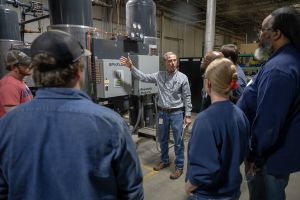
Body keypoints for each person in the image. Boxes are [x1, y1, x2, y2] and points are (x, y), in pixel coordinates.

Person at [0, 30, 143, 200]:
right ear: (78, 72)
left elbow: (3, 190)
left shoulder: (7, 125)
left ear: (36, 74)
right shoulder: (111, 124)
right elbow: (132, 191)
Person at [237, 6, 300, 200]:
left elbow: (268, 123)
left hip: (267, 160)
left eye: (263, 29)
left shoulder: (279, 69)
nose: (259, 35)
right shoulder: (283, 60)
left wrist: (255, 155)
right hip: (273, 156)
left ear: (277, 33)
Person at [120, 52, 192, 179]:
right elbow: (143, 77)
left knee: (178, 141)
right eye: (170, 60)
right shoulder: (159, 75)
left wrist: (188, 114)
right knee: (162, 138)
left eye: (175, 60)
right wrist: (131, 67)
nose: (173, 63)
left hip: (176, 113)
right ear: (165, 62)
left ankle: (179, 166)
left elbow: (187, 97)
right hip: (162, 113)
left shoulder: (183, 78)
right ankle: (164, 160)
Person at [185, 58, 249, 199]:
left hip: (210, 194)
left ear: (208, 83)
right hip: (232, 190)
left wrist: (189, 186)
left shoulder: (205, 120)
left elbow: (204, 170)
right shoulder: (240, 114)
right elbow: (244, 150)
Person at [0, 50, 33, 117]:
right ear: (13, 67)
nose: (30, 66)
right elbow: (13, 116)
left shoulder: (19, 81)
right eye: (25, 64)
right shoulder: (9, 85)